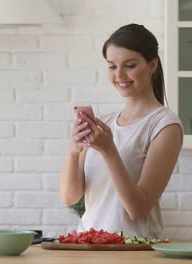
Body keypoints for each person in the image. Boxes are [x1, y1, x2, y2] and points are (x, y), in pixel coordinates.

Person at [59, 24, 183, 238]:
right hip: (88, 246)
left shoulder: (165, 125)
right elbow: (71, 197)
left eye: (130, 65)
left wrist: (109, 151)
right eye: (112, 66)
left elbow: (138, 210)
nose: (119, 75)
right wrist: (73, 151)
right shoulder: (104, 123)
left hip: (134, 251)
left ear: (152, 65)